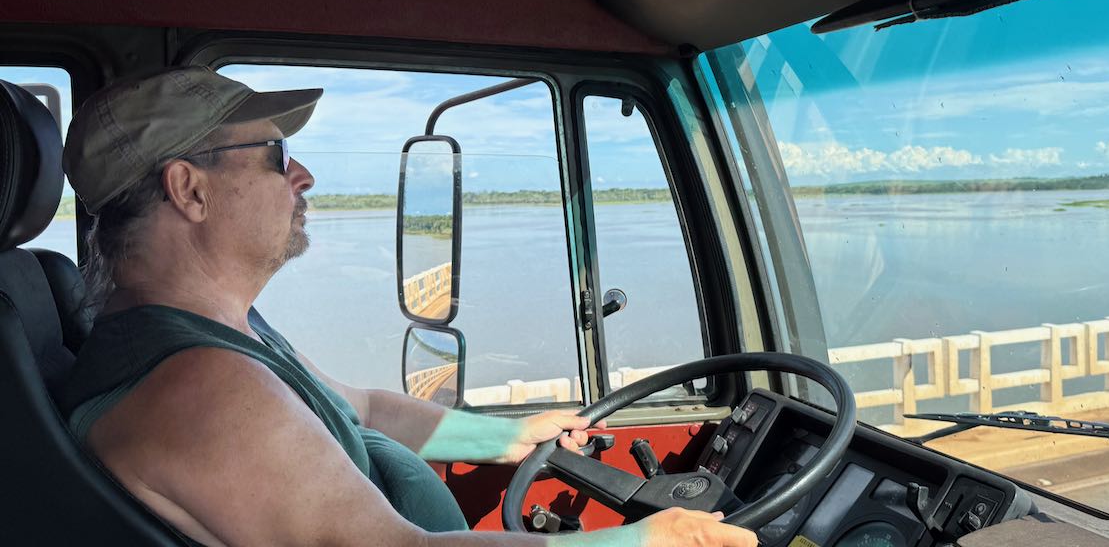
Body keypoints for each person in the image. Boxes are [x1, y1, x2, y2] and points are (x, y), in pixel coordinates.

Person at [58, 67, 756, 547]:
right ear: (190, 190)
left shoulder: (225, 335)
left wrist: (510, 439)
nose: (303, 175)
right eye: (275, 154)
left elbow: (363, 408)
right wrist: (638, 541)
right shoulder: (199, 385)